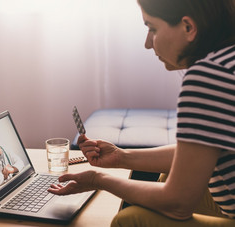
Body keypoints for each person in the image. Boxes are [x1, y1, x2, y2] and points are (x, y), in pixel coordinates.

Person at [48, 0, 235, 226]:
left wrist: (99, 180)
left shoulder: (210, 77)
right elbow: (199, 150)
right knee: (170, 176)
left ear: (188, 27)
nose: (147, 43)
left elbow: (178, 204)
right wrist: (122, 157)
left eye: (152, 29)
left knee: (130, 220)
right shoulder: (227, 62)